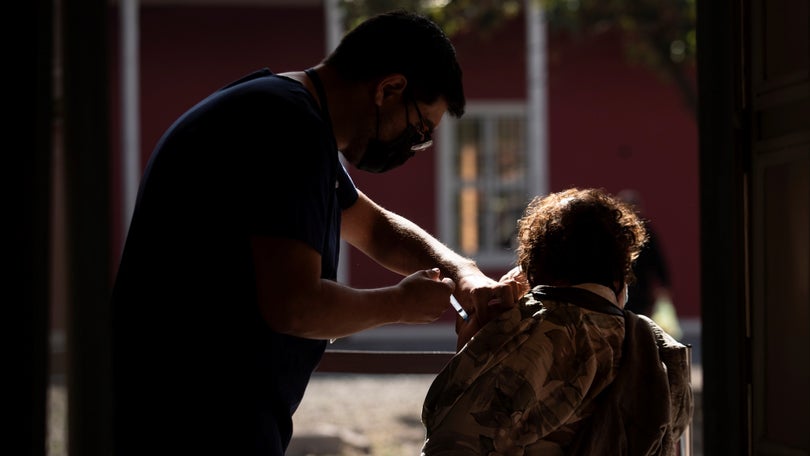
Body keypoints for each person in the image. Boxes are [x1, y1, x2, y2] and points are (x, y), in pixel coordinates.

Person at [110, 11, 518, 456]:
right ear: (389, 89)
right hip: (191, 419)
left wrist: (463, 272)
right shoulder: (287, 128)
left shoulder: (284, 113)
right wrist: (400, 304)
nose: (414, 147)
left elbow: (377, 230)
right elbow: (296, 307)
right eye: (420, 129)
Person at [421, 188, 693, 455]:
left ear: (532, 269)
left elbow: (449, 436)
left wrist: (472, 343)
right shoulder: (657, 350)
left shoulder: (519, 327)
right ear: (621, 275)